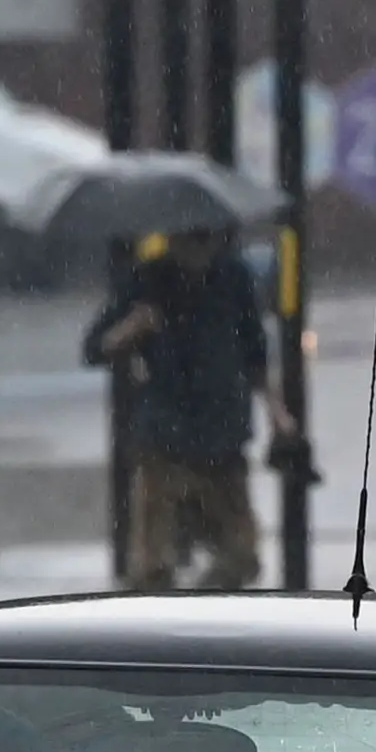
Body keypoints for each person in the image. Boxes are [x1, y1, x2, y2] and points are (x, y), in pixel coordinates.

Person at [82, 223, 296, 591]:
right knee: (153, 566)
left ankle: (200, 608)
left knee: (241, 555)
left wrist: (277, 414)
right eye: (188, 240)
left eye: (204, 239)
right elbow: (94, 348)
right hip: (165, 438)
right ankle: (164, 620)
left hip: (222, 436)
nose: (197, 250)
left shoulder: (233, 280)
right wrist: (132, 328)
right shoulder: (147, 279)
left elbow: (255, 354)